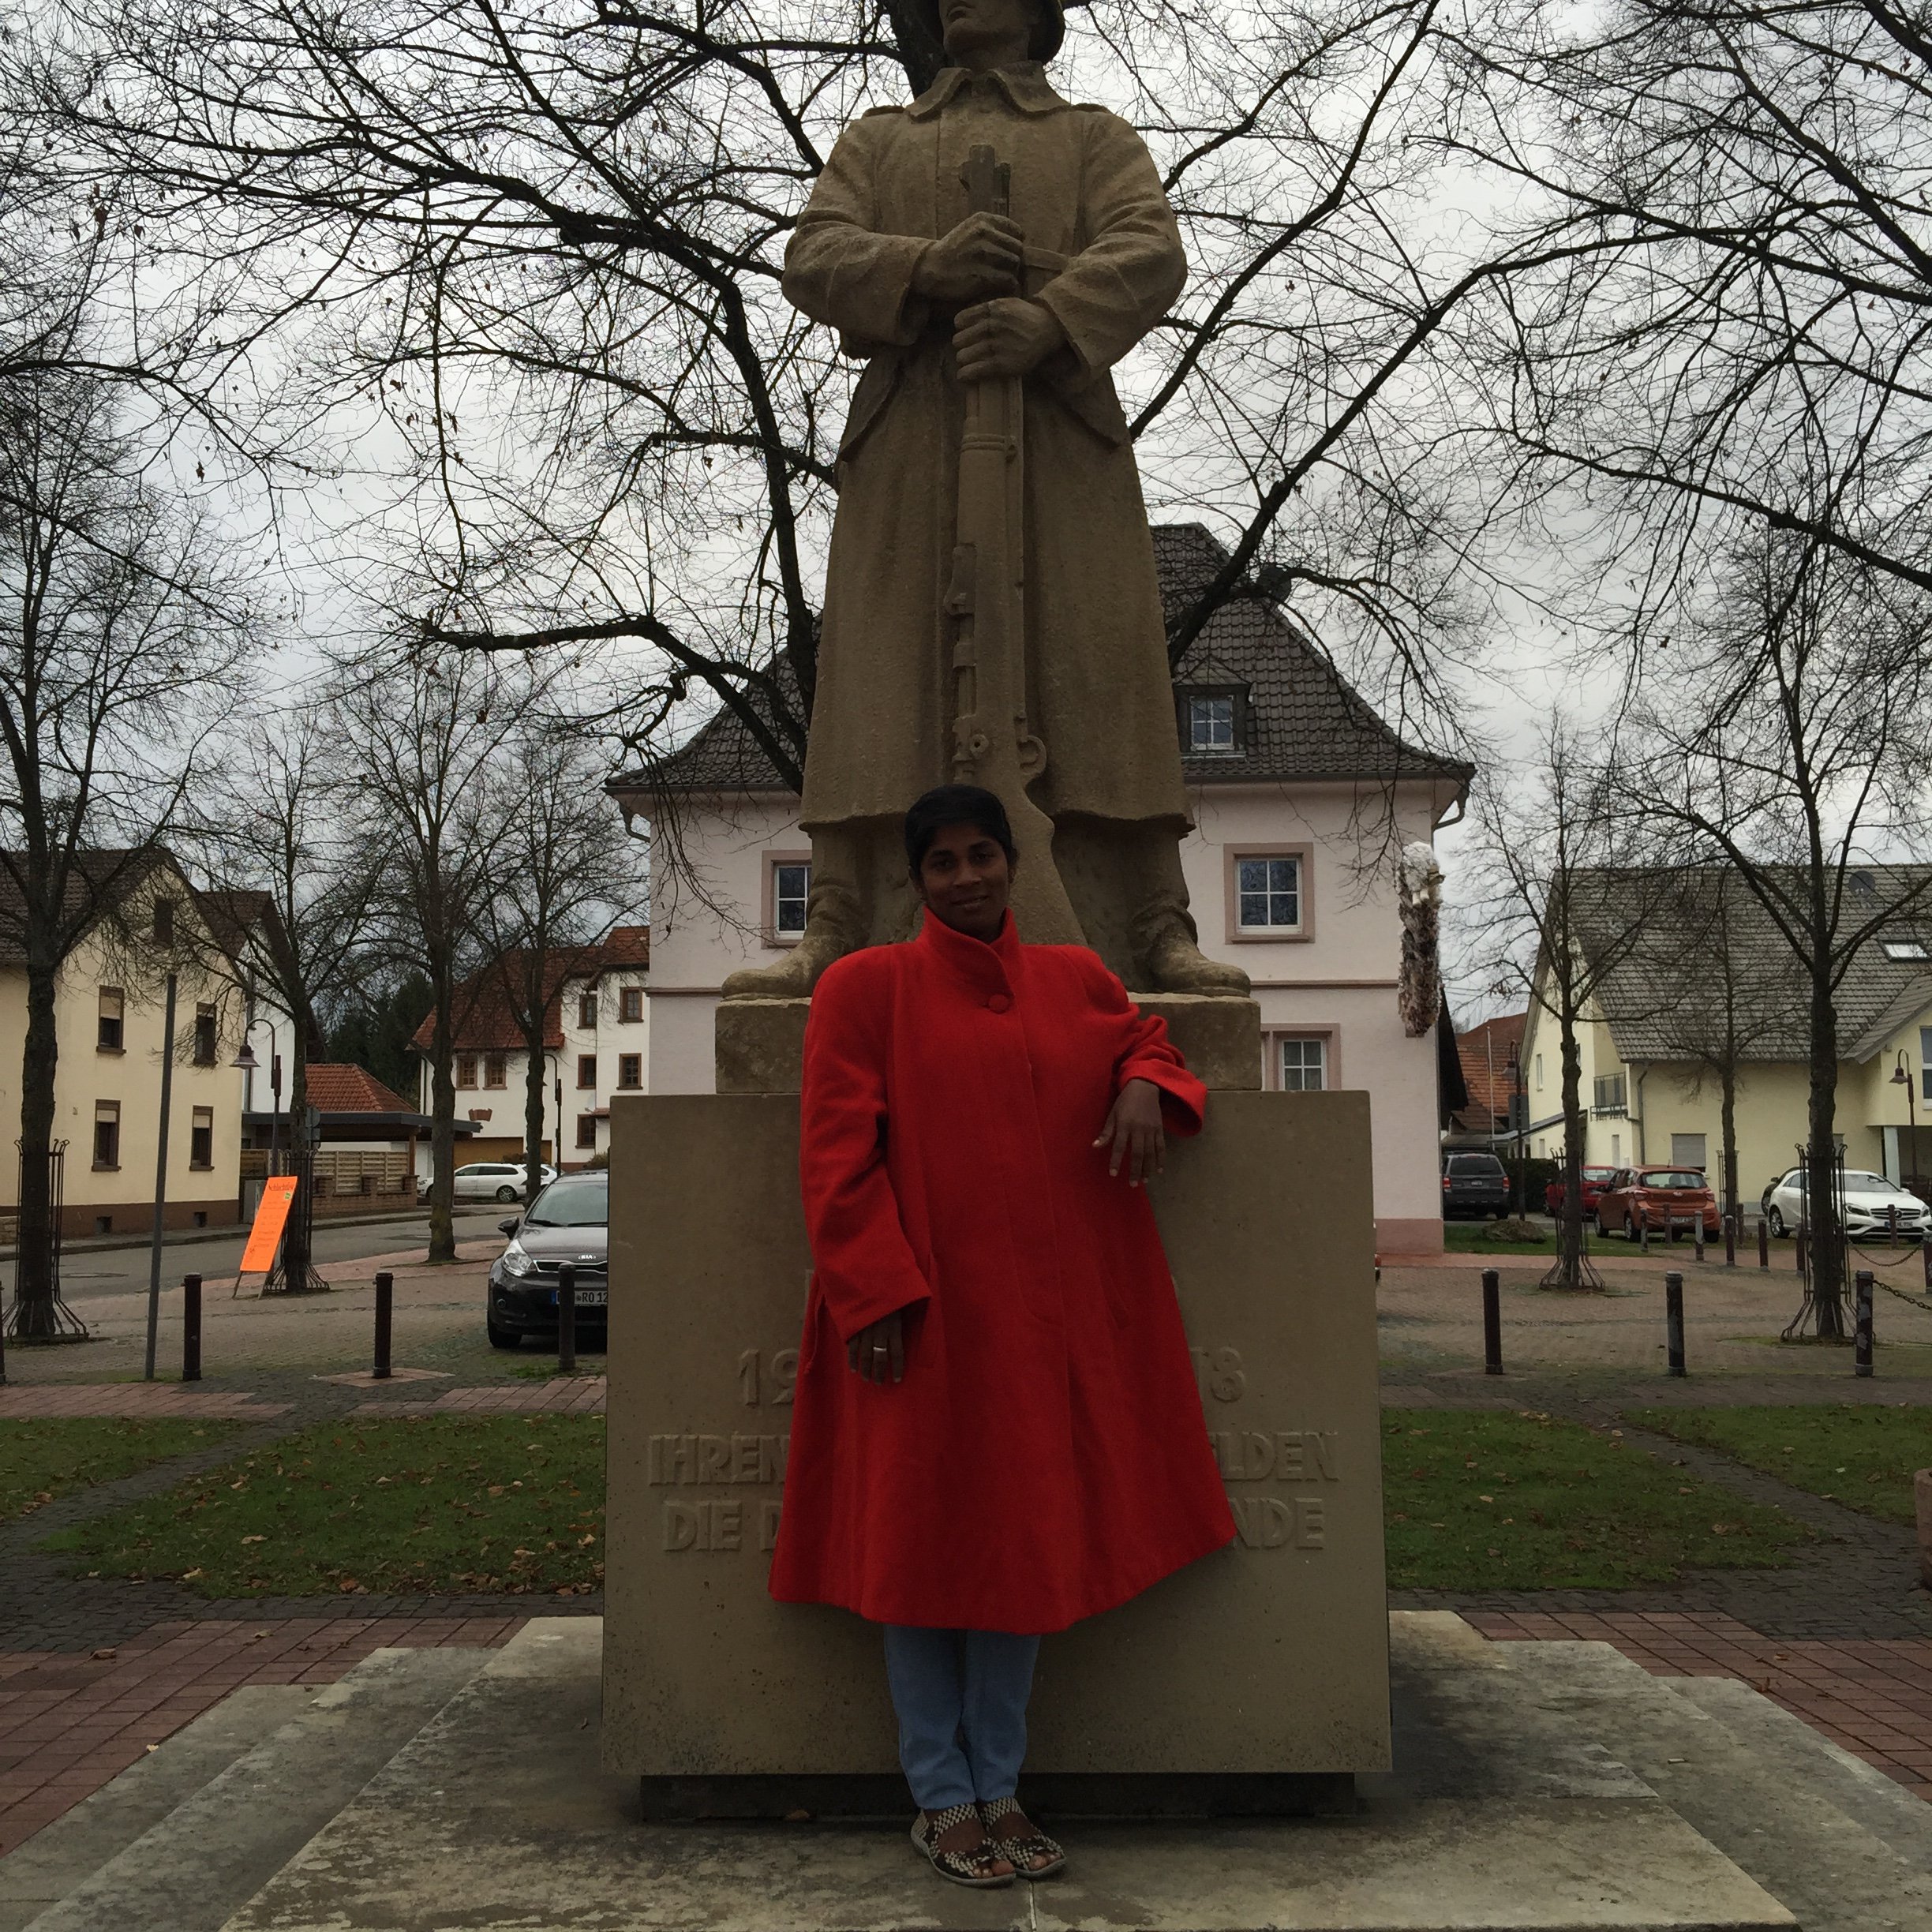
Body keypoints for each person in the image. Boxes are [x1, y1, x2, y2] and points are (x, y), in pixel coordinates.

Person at [720, 0, 1250, 1001]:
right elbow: (813, 255)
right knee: (878, 669)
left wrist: (1052, 319)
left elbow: (1150, 249)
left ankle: (1153, 919)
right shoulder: (879, 140)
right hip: (909, 441)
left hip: (1060, 441)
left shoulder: (1092, 137)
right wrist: (924, 266)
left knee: (1100, 665)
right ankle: (838, 915)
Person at [768, 785, 1236, 1885]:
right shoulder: (863, 987)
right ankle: (942, 1796)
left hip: (1035, 1335)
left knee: (1018, 1556)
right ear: (916, 879)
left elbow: (1150, 1040)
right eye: (944, 862)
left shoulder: (1076, 978)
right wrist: (874, 1296)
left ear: (1011, 864)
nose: (967, 876)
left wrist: (1142, 1082)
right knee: (917, 1556)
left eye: (983, 855)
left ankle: (1001, 1785)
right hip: (918, 1320)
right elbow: (835, 1158)